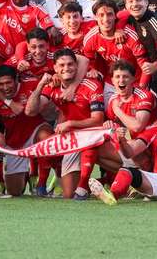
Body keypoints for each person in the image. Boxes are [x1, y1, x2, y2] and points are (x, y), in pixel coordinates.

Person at [25, 49, 105, 200]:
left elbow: (98, 120)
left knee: (117, 159)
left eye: (70, 64)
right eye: (61, 65)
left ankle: (92, 184)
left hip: (94, 135)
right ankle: (88, 185)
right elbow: (30, 111)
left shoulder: (91, 85)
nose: (66, 68)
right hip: (72, 139)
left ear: (77, 66)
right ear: (55, 68)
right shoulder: (52, 86)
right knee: (68, 194)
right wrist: (40, 85)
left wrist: (70, 123)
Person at [0, 64, 55, 197]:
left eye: (8, 82)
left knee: (46, 137)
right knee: (14, 191)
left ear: (17, 79)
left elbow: (53, 87)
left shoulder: (32, 84)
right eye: (0, 84)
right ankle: (27, 174)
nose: (5, 87)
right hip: (15, 142)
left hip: (36, 130)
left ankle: (41, 184)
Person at [82, 0, 150, 94]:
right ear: (95, 17)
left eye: (109, 14)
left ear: (115, 16)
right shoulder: (91, 38)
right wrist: (91, 69)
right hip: (111, 84)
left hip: (135, 82)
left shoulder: (130, 36)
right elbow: (88, 59)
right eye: (101, 15)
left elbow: (145, 65)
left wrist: (142, 87)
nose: (106, 19)